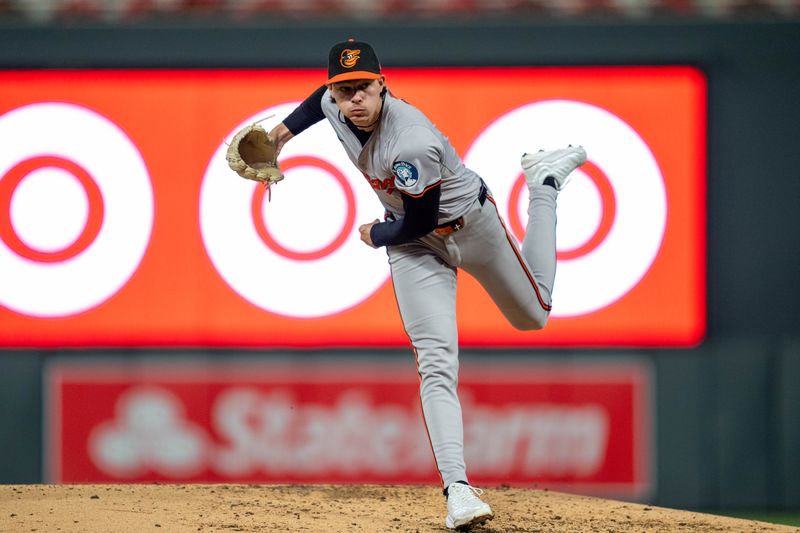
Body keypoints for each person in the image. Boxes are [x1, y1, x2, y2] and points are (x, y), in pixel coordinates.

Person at [267, 39, 586, 530]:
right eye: (344, 88)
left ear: (382, 85)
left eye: (363, 88)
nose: (352, 99)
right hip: (416, 248)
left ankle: (543, 184)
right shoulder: (334, 104)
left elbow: (417, 220)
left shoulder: (409, 138)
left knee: (534, 314)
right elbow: (317, 102)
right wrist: (281, 135)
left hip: (466, 226)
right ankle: (458, 489)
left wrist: (374, 235)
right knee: (436, 361)